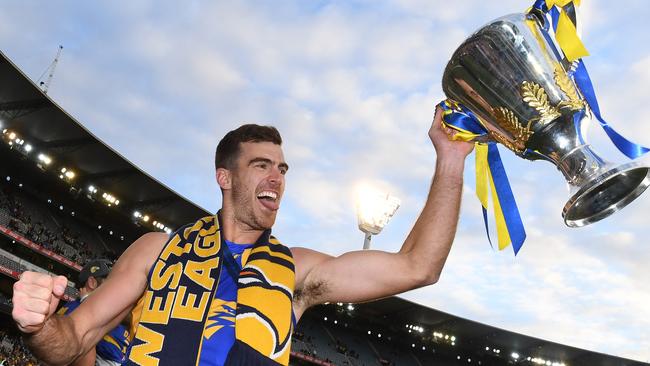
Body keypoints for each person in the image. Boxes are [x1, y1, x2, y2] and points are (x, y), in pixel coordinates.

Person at [11, 107, 473, 365]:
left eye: (282, 168)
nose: (277, 177)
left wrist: (450, 159)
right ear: (225, 178)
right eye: (261, 165)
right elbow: (72, 340)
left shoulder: (298, 270)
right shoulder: (158, 251)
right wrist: (39, 325)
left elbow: (419, 267)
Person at [56, 260, 130, 366]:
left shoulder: (114, 308)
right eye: (110, 280)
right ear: (92, 282)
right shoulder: (74, 308)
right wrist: (86, 300)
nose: (117, 286)